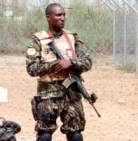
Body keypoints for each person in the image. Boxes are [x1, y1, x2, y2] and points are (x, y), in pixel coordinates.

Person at [25, 3, 92, 141]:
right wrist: (53, 65)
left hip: (72, 93)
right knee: (44, 134)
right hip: (48, 94)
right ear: (48, 17)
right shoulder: (38, 40)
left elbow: (88, 62)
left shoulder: (73, 38)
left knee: (75, 133)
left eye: (64, 15)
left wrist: (71, 62)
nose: (62, 18)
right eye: (58, 15)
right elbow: (31, 69)